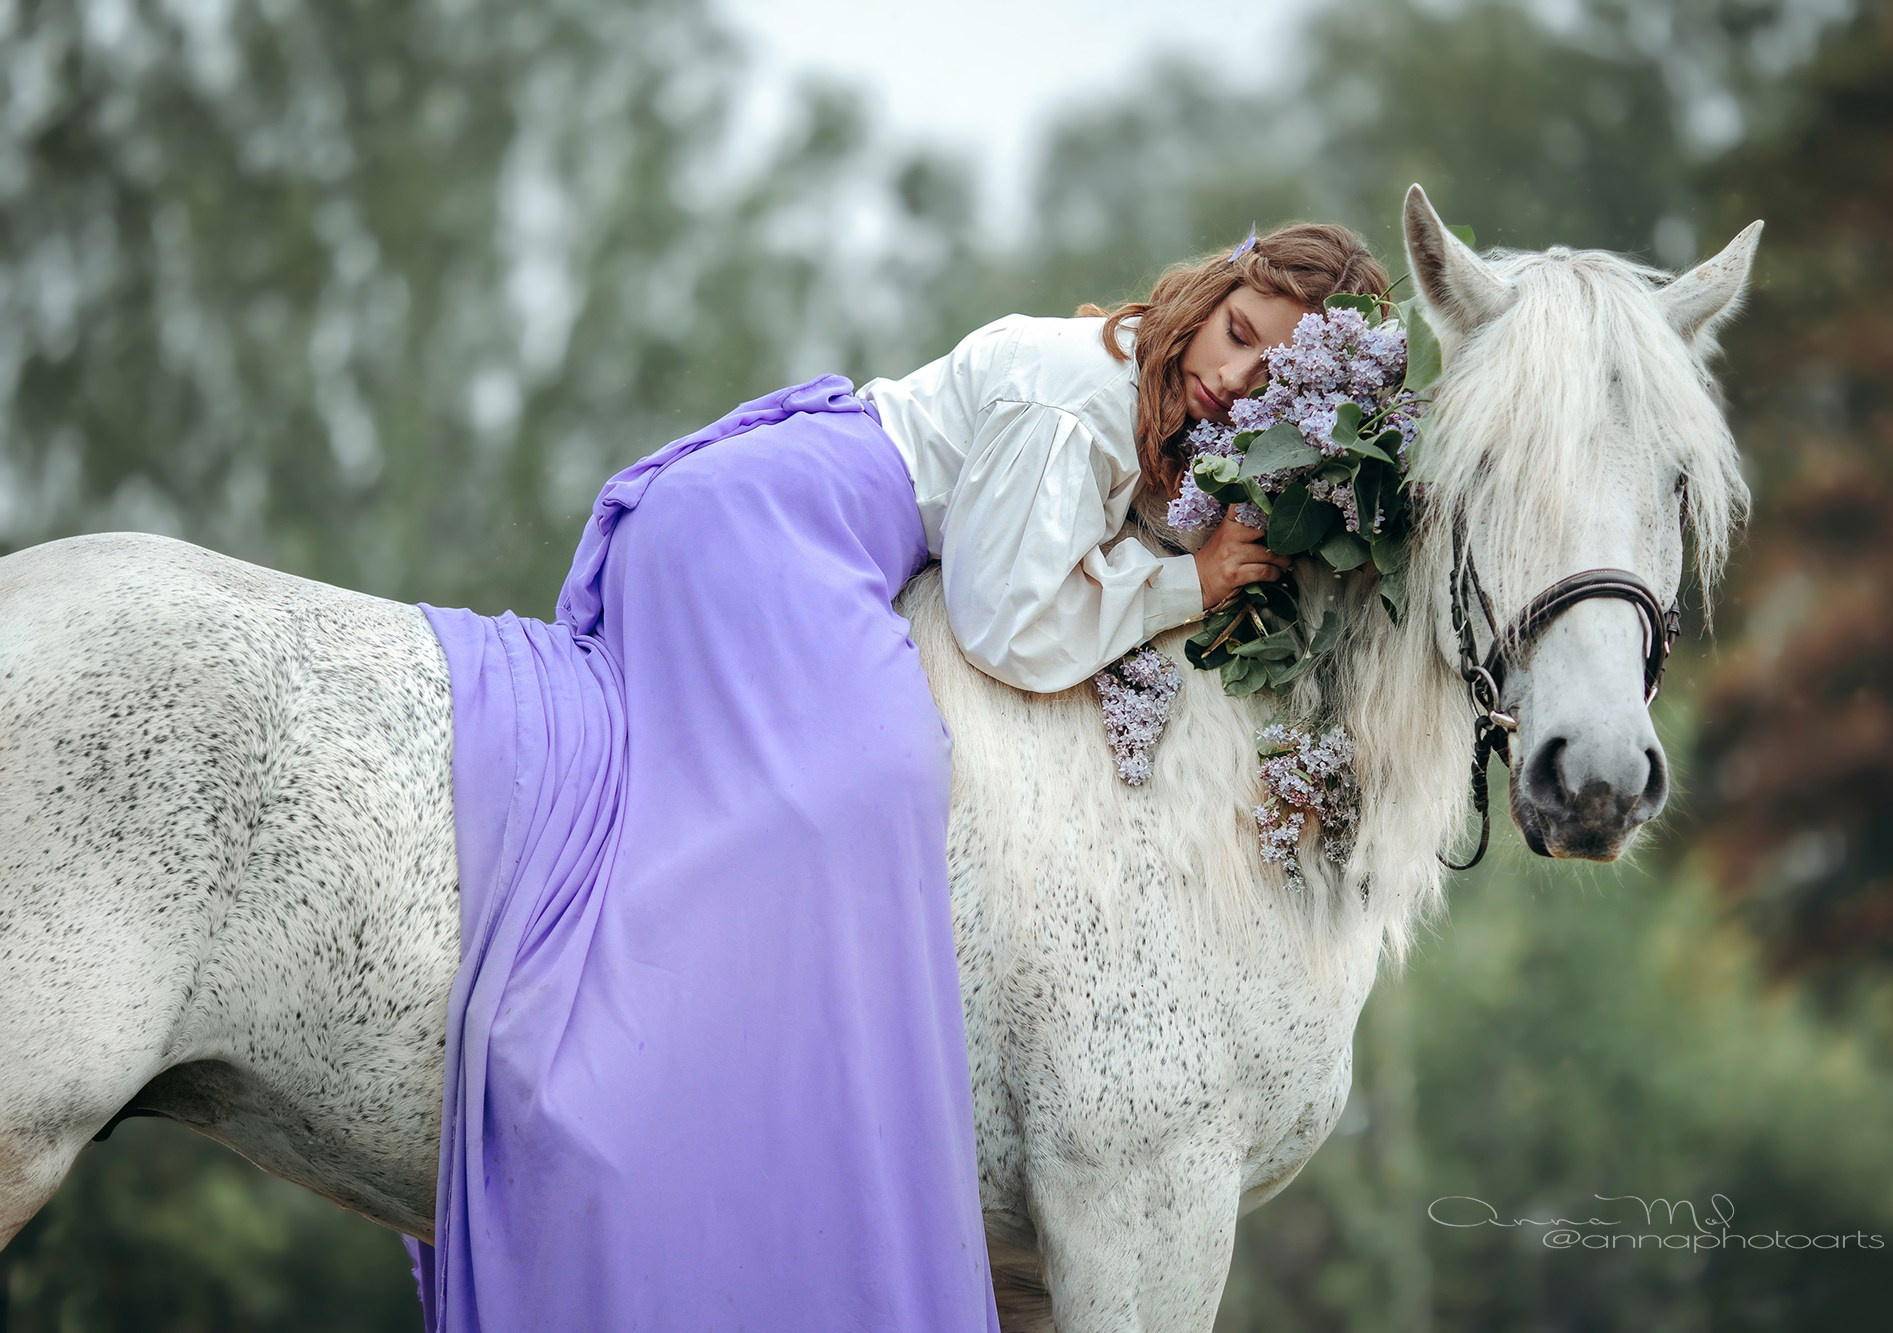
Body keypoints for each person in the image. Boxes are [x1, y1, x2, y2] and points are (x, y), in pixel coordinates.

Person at [409, 224, 1391, 1333]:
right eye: (1235, 333)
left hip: (801, 529)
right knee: (885, 769)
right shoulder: (1078, 398)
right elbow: (1003, 625)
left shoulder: (1139, 396)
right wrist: (1190, 586)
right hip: (772, 531)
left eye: (1266, 379)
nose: (1228, 377)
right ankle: (687, 1019)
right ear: (1217, 289)